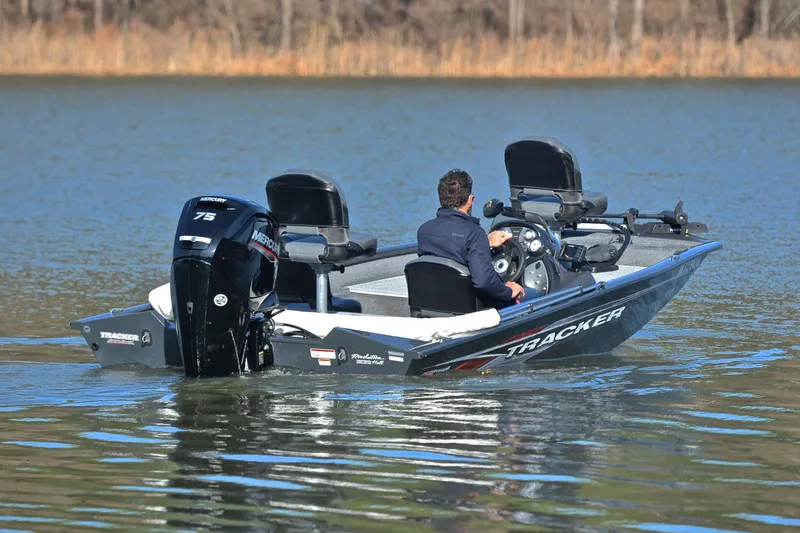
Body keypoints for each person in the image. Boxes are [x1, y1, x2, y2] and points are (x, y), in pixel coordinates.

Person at [417, 169, 537, 309]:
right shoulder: (474, 233)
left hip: (436, 305)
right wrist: (508, 291)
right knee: (535, 294)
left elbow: (452, 250)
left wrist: (485, 244)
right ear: (470, 200)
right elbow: (483, 282)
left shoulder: (424, 231)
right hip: (472, 310)